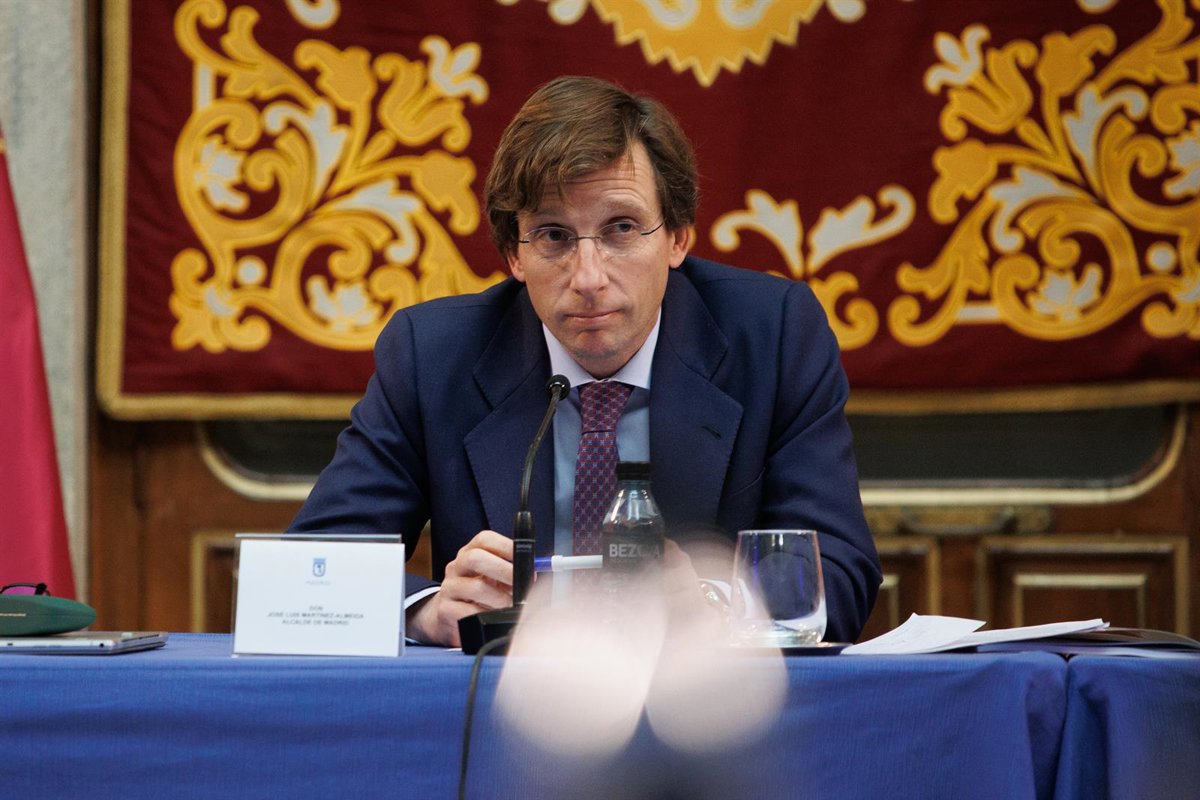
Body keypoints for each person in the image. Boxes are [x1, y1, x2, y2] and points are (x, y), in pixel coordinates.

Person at [289, 75, 880, 646]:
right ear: (514, 257)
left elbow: (839, 573)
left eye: (621, 228)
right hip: (504, 699)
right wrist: (427, 613)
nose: (589, 278)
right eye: (553, 236)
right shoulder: (434, 354)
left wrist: (714, 604)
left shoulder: (772, 336)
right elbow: (308, 571)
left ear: (677, 238)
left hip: (705, 700)